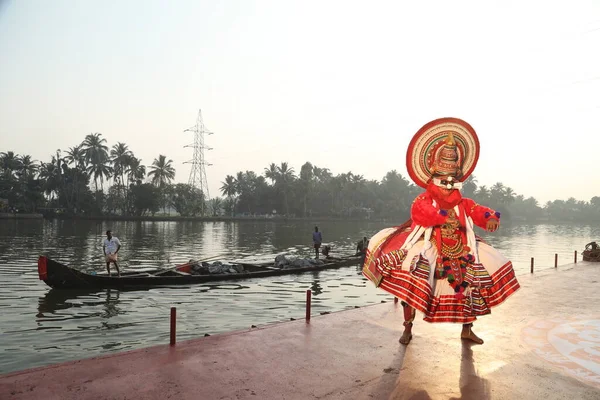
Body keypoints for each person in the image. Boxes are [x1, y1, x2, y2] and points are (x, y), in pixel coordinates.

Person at [362, 118, 520, 345]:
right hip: (428, 245)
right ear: (434, 178)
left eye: (452, 181)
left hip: (462, 248)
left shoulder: (462, 202)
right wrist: (441, 217)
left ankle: (467, 329)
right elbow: (421, 212)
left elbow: (477, 210)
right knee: (413, 283)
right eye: (443, 181)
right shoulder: (425, 199)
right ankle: (407, 327)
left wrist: (491, 218)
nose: (448, 185)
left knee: (471, 286)